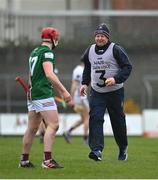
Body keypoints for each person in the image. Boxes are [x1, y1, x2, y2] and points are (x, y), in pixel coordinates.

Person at [19, 27, 72, 169]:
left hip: (33, 93)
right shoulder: (47, 53)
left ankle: (24, 161)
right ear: (53, 39)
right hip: (43, 93)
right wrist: (64, 91)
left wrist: (30, 90)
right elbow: (49, 74)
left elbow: (30, 75)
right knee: (54, 124)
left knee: (32, 128)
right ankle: (47, 161)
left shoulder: (34, 52)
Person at [80, 23, 132, 161]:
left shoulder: (116, 49)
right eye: (97, 35)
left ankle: (122, 148)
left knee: (118, 121)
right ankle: (96, 150)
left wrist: (115, 79)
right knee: (95, 118)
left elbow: (127, 67)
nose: (99, 38)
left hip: (115, 91)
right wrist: (84, 84)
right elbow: (87, 68)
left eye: (102, 36)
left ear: (107, 37)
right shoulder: (90, 50)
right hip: (97, 92)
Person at [63, 61, 89, 144]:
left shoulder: (82, 70)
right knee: (88, 118)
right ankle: (86, 139)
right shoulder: (79, 70)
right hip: (80, 98)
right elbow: (75, 84)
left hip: (80, 98)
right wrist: (71, 98)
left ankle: (68, 132)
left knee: (83, 119)